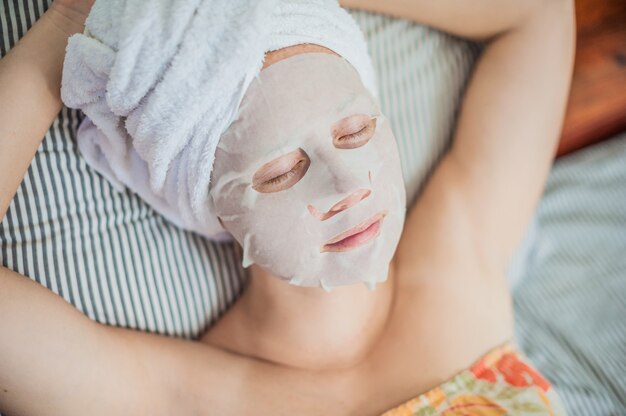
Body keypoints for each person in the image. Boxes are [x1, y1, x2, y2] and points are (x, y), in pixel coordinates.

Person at [0, 0, 575, 415]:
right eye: (280, 170)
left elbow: (539, 13)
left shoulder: (460, 253)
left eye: (355, 130)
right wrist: (72, 23)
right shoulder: (176, 395)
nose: (347, 183)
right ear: (209, 204)